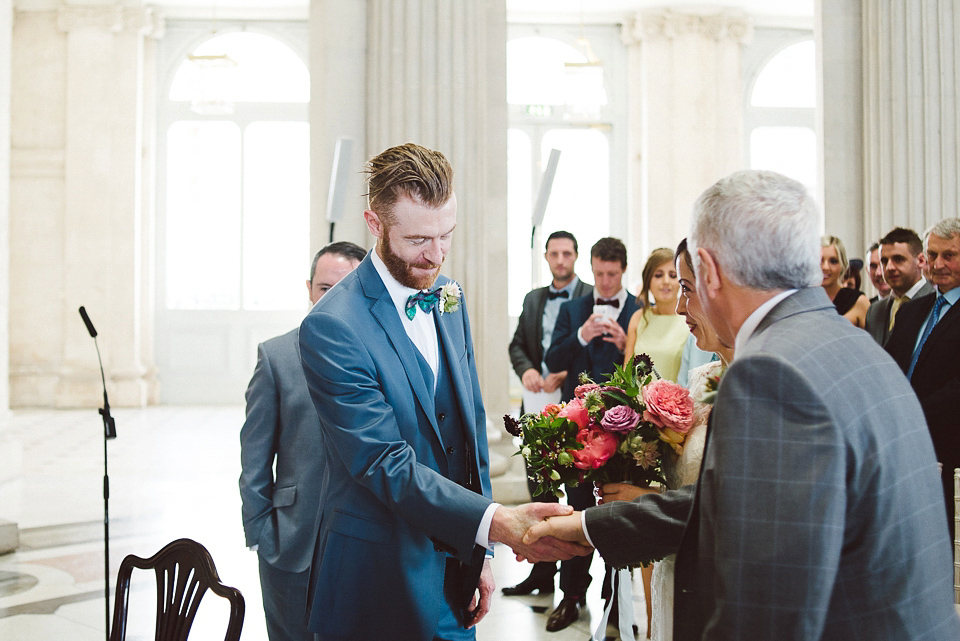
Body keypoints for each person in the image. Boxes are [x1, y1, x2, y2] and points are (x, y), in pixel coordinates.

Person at [522, 169, 960, 640]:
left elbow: (763, 609)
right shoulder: (851, 344)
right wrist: (587, 524)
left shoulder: (770, 372)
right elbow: (735, 503)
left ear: (708, 270)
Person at [299, 143, 585, 641]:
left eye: (445, 235)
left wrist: (479, 552)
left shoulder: (449, 297)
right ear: (374, 222)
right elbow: (383, 463)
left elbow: (469, 429)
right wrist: (497, 522)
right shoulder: (332, 327)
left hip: (456, 572)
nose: (434, 255)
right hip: (377, 581)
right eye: (416, 239)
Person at [599, 238, 733, 641]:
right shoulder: (701, 381)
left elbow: (727, 504)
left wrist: (643, 502)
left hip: (714, 577)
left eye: (686, 288)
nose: (678, 305)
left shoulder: (757, 385)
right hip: (672, 564)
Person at [239, 241, 365, 641]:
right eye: (325, 288)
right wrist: (261, 532)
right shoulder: (276, 356)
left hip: (364, 545)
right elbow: (254, 456)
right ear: (310, 288)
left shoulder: (381, 357)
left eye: (345, 288)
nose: (333, 298)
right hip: (291, 541)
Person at [542, 236, 640, 632]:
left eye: (612, 275)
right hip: (578, 430)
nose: (604, 282)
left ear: (623, 271)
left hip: (625, 431)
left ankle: (615, 606)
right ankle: (571, 597)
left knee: (618, 517)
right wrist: (581, 335)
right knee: (575, 512)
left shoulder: (638, 311)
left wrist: (626, 346)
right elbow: (552, 360)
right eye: (598, 274)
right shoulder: (573, 308)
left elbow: (647, 373)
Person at [502, 230, 593, 598]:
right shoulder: (533, 298)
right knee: (539, 490)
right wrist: (526, 369)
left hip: (576, 410)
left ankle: (574, 587)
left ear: (576, 256)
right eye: (554, 253)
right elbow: (517, 344)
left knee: (576, 496)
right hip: (536, 408)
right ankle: (540, 575)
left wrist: (564, 372)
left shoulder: (590, 297)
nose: (560, 260)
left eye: (566, 253)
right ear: (545, 257)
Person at [885, 218, 960, 543]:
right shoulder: (912, 311)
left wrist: (909, 414)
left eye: (950, 255)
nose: (938, 264)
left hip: (949, 451)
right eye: (932, 255)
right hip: (902, 448)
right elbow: (885, 369)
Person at [623, 248, 687, 382]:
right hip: (637, 401)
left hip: (676, 400)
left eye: (673, 275)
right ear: (648, 281)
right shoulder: (638, 317)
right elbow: (626, 375)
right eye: (658, 275)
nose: (666, 281)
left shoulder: (689, 319)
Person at [865, 227, 931, 346]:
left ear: (921, 261)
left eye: (898, 259)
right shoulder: (875, 310)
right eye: (884, 261)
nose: (889, 267)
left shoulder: (936, 304)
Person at [821, 235, 869, 327]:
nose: (825, 267)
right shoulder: (803, 300)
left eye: (833, 261)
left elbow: (872, 340)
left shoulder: (858, 301)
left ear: (843, 265)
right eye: (820, 260)